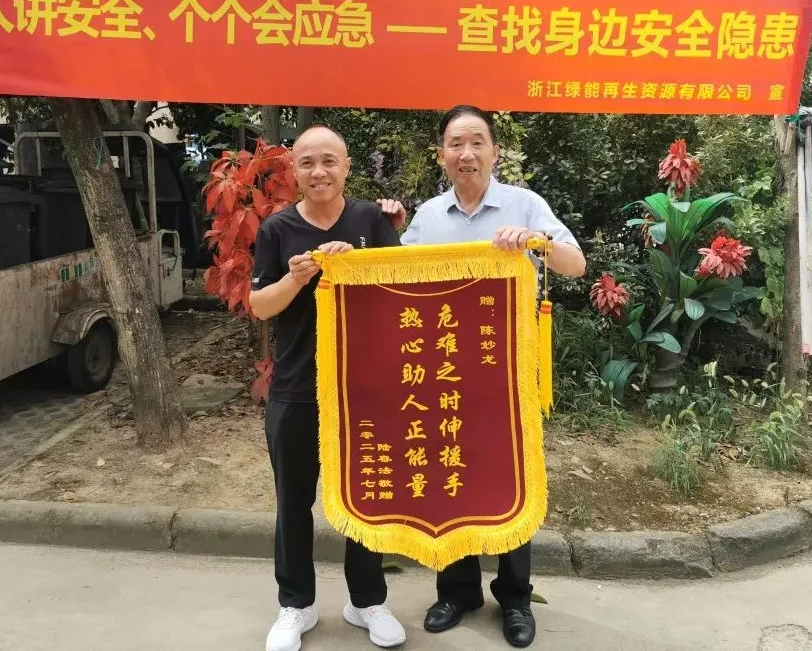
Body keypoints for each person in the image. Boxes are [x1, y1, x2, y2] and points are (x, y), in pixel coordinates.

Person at [379, 105, 586, 648]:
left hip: (508, 375)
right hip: (445, 373)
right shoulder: (429, 216)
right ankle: (457, 591)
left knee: (509, 478)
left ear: (495, 151)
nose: (466, 154)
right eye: (456, 144)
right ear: (441, 155)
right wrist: (384, 232)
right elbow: (392, 278)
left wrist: (537, 242)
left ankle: (515, 597)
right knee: (451, 474)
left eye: (477, 143)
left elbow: (576, 263)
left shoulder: (524, 205)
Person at [250, 125, 407, 651]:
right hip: (296, 386)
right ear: (293, 170)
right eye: (307, 163)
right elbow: (260, 306)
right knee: (293, 501)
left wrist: (356, 265)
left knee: (367, 495)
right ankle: (295, 605)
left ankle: (367, 601)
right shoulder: (276, 229)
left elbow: (397, 290)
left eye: (329, 161)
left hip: (365, 387)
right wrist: (295, 278)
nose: (319, 172)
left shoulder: (371, 220)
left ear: (346, 166)